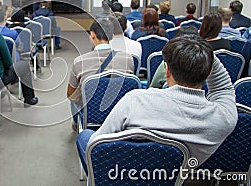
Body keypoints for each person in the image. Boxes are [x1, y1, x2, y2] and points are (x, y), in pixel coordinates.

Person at [86, 35, 237, 165]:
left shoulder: (136, 100)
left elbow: (97, 143)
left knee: (85, 136)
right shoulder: (223, 118)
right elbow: (224, 88)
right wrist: (204, 53)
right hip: (173, 176)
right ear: (209, 71)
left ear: (167, 70)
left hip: (123, 170)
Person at [68, 18, 134, 131]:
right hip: (120, 114)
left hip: (92, 116)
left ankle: (77, 123)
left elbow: (71, 95)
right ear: (112, 36)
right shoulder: (128, 58)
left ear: (92, 35)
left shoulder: (79, 62)